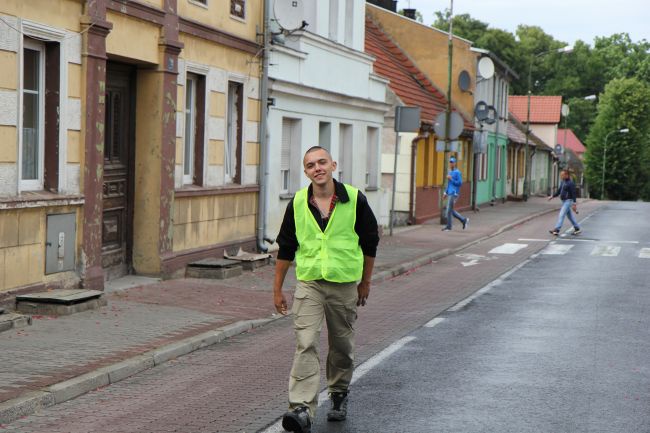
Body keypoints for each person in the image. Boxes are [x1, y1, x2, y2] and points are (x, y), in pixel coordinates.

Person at [273, 146, 379, 433]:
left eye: (322, 162)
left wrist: (365, 282)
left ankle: (339, 392)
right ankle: (302, 409)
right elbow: (286, 247)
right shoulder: (297, 203)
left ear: (333, 165)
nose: (317, 168)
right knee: (305, 342)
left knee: (341, 345)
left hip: (344, 285)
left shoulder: (355, 199)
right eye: (310, 165)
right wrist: (277, 289)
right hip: (309, 284)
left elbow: (370, 242)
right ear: (305, 171)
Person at [548, 169, 581, 235]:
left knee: (561, 214)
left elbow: (573, 193)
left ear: (567, 175)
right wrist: (552, 196)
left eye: (562, 175)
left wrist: (574, 204)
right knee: (570, 216)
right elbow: (559, 191)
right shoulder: (563, 182)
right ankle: (577, 228)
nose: (561, 176)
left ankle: (557, 229)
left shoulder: (570, 183)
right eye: (561, 175)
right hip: (564, 201)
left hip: (568, 201)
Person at [442, 156, 468, 231]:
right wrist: (445, 192)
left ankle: (449, 226)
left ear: (455, 163)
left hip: (454, 193)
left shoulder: (457, 172)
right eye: (450, 162)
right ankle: (463, 220)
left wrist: (451, 179)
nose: (451, 164)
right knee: (450, 210)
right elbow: (449, 184)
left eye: (452, 162)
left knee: (448, 210)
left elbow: (459, 183)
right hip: (450, 192)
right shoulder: (450, 172)